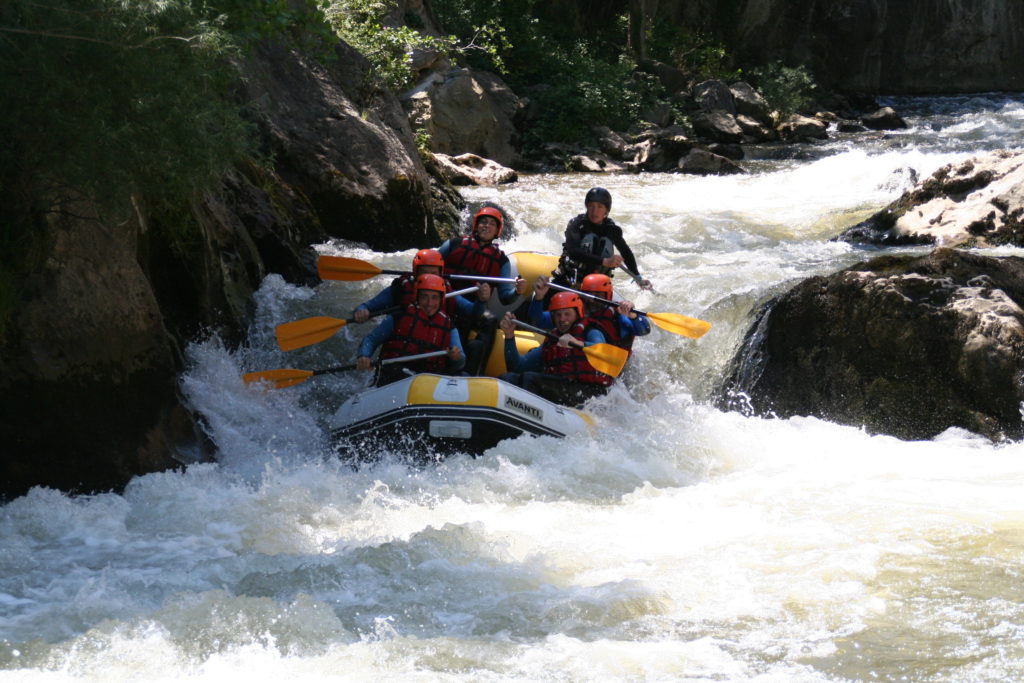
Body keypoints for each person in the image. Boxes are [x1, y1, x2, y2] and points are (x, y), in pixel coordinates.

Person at [438, 205, 529, 373]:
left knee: (490, 320)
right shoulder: (454, 244)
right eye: (483, 222)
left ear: (497, 231)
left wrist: (517, 291)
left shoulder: (501, 261)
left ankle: (474, 372)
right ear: (476, 225)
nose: (486, 226)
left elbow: (505, 297)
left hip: (475, 306)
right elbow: (430, 266)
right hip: (444, 297)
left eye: (491, 224)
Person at [498, 292, 613, 407]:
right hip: (561, 388)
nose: (562, 319)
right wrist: (509, 336)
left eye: (567, 314)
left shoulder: (591, 332)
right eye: (558, 315)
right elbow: (517, 367)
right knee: (508, 378)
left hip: (589, 392)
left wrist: (578, 343)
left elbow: (604, 354)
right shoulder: (552, 341)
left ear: (578, 314)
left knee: (530, 379)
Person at [356, 274, 464, 386]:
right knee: (399, 373)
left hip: (430, 379)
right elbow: (371, 340)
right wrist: (364, 355)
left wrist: (456, 357)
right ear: (417, 296)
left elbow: (461, 361)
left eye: (434, 297)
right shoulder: (400, 316)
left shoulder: (448, 325)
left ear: (441, 299)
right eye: (424, 297)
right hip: (394, 374)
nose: (429, 303)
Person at [553, 187, 652, 290]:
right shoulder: (576, 224)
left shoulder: (611, 229)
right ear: (587, 207)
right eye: (591, 206)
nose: (594, 211)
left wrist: (637, 277)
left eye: (599, 207)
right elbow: (573, 251)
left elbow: (626, 252)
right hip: (569, 281)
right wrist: (604, 261)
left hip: (596, 287)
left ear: (606, 210)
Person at [351, 249, 484, 323]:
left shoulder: (446, 291)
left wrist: (482, 300)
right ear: (415, 272)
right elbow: (367, 306)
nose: (429, 278)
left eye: (434, 273)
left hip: (435, 346)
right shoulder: (402, 289)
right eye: (425, 273)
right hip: (404, 345)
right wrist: (362, 311)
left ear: (441, 274)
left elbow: (473, 312)